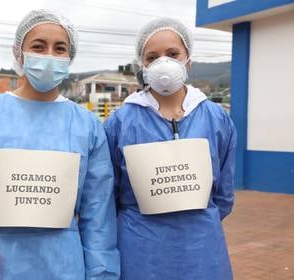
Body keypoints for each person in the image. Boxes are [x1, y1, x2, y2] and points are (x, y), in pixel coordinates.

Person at [0, 9, 119, 279]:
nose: (48, 56)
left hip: (62, 267)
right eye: (38, 47)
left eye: (59, 48)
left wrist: (101, 273)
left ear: (70, 57)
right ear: (20, 53)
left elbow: (98, 213)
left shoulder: (86, 126)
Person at [104, 17, 236, 280]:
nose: (163, 62)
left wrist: (195, 221)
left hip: (202, 252)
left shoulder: (216, 118)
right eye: (152, 57)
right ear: (141, 65)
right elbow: (109, 194)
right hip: (140, 252)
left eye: (173, 54)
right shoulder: (121, 122)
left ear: (188, 59)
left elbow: (224, 195)